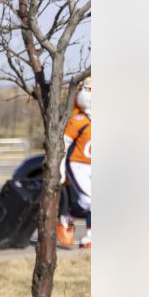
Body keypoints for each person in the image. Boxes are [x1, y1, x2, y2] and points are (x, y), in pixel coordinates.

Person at [57, 77, 92, 249]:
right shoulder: (79, 119)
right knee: (87, 200)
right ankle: (66, 219)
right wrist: (61, 168)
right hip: (78, 163)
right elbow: (65, 142)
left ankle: (91, 237)